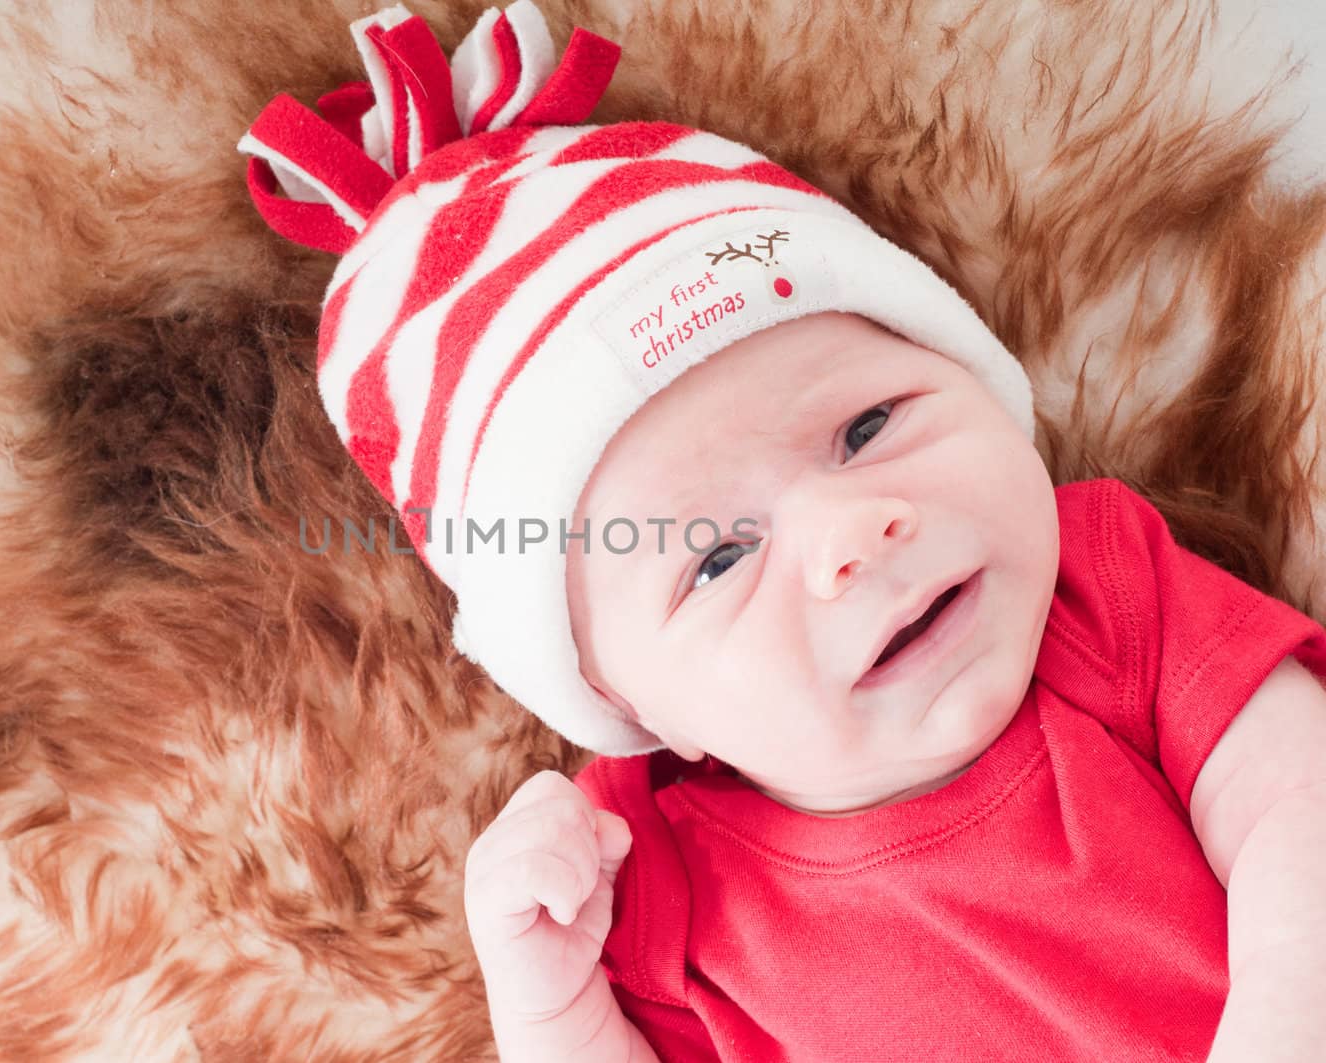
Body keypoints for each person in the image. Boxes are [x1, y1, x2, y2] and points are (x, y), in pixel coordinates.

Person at [238, 3, 1326, 1059]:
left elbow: (1298, 797)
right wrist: (550, 1014)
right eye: (716, 557)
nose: (849, 534)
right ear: (625, 704)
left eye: (866, 427)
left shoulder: (1103, 594)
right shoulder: (655, 879)